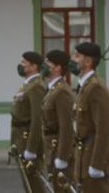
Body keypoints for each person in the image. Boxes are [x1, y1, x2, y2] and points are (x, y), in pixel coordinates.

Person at [72, 42, 109, 193]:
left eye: (77, 56)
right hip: (84, 155)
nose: (72, 59)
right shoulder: (84, 86)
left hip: (93, 157)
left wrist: (96, 164)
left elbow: (102, 130)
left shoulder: (96, 87)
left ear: (88, 62)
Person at [9, 51, 47, 192]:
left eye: (24, 63)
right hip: (21, 140)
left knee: (34, 183)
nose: (20, 65)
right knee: (28, 183)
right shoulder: (27, 85)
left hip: (28, 140)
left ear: (33, 67)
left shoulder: (36, 86)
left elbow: (37, 120)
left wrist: (31, 148)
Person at [40, 49, 75, 193]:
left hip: (57, 149)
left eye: (48, 62)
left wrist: (62, 156)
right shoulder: (52, 89)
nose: (44, 65)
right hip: (50, 148)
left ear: (58, 67)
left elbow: (66, 127)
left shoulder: (61, 91)